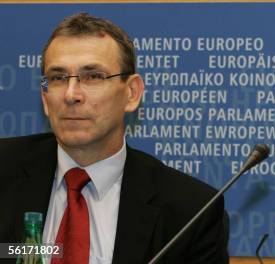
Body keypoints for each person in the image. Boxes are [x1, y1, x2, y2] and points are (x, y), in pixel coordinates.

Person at [0, 13, 228, 264]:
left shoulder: (190, 211)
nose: (71, 94)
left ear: (132, 93)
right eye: (58, 78)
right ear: (45, 97)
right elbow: (8, 251)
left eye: (93, 76)